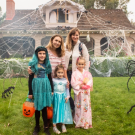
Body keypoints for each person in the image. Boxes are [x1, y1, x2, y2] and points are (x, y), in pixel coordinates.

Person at [28, 46, 53, 135]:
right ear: (36, 54)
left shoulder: (47, 64)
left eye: (44, 53)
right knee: (37, 108)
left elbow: (50, 78)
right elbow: (30, 79)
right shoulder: (32, 64)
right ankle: (37, 126)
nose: (42, 55)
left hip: (45, 88)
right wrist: (30, 92)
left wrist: (52, 90)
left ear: (46, 54)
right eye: (40, 53)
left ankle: (46, 127)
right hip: (36, 88)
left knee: (44, 108)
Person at [65, 28, 89, 115]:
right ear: (70, 36)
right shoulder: (65, 46)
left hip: (77, 74)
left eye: (77, 35)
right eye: (73, 35)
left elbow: (86, 59)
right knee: (67, 92)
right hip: (66, 73)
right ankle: (72, 108)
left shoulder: (81, 46)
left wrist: (85, 75)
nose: (75, 36)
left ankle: (78, 111)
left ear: (79, 36)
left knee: (77, 92)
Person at [71, 56, 93, 129]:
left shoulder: (87, 73)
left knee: (86, 107)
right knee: (79, 107)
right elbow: (73, 83)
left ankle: (87, 122)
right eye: (79, 64)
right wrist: (79, 86)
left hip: (86, 93)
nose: (80, 66)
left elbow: (90, 81)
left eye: (82, 64)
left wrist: (86, 86)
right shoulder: (74, 73)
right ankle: (79, 122)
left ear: (84, 65)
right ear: (76, 64)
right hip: (79, 93)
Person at [52, 64, 73, 134]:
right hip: (56, 98)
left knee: (63, 111)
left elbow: (67, 89)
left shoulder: (65, 80)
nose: (60, 74)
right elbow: (51, 89)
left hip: (63, 97)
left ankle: (63, 125)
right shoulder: (53, 80)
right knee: (55, 111)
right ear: (56, 73)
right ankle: (54, 126)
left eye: (61, 72)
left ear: (64, 73)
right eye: (58, 72)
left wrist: (67, 96)